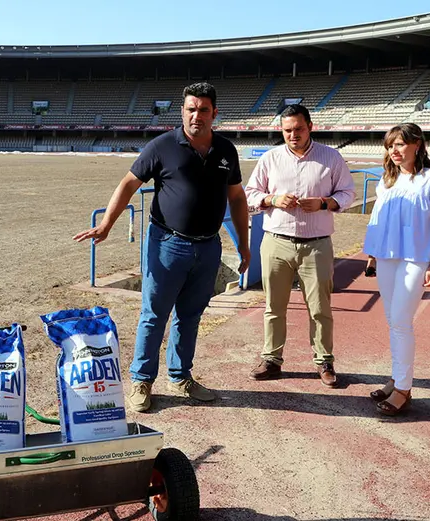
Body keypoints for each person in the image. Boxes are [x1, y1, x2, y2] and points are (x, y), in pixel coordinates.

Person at [73, 82, 251, 413]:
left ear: (214, 113)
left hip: (208, 247)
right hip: (168, 244)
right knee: (154, 316)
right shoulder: (162, 146)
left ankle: (180, 376)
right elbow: (129, 183)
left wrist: (244, 243)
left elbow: (237, 197)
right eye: (191, 109)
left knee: (191, 316)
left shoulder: (226, 150)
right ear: (182, 111)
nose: (197, 115)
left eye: (204, 110)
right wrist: (107, 224)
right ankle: (141, 380)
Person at [244, 104, 356, 386]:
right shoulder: (270, 158)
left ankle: (324, 360)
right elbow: (250, 194)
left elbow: (348, 193)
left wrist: (324, 203)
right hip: (276, 243)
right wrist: (272, 199)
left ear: (310, 127)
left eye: (298, 129)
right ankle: (271, 359)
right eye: (287, 130)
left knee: (320, 308)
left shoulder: (331, 157)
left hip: (316, 244)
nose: (293, 135)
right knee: (273, 306)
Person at [362, 123, 430, 416]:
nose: (394, 151)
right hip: (387, 256)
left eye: (400, 144)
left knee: (401, 321)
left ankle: (403, 389)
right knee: (393, 321)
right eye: (390, 146)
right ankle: (396, 378)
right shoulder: (387, 179)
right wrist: (373, 255)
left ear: (417, 144)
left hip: (416, 258)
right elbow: (378, 219)